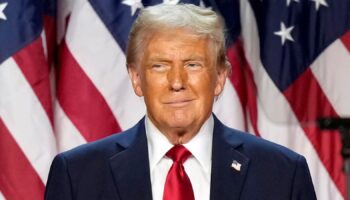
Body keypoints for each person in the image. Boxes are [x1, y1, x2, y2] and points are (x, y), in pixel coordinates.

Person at [45, 4, 317, 200]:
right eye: (160, 66)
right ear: (137, 79)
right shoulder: (77, 175)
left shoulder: (282, 174)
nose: (177, 81)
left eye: (193, 64)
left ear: (220, 77)